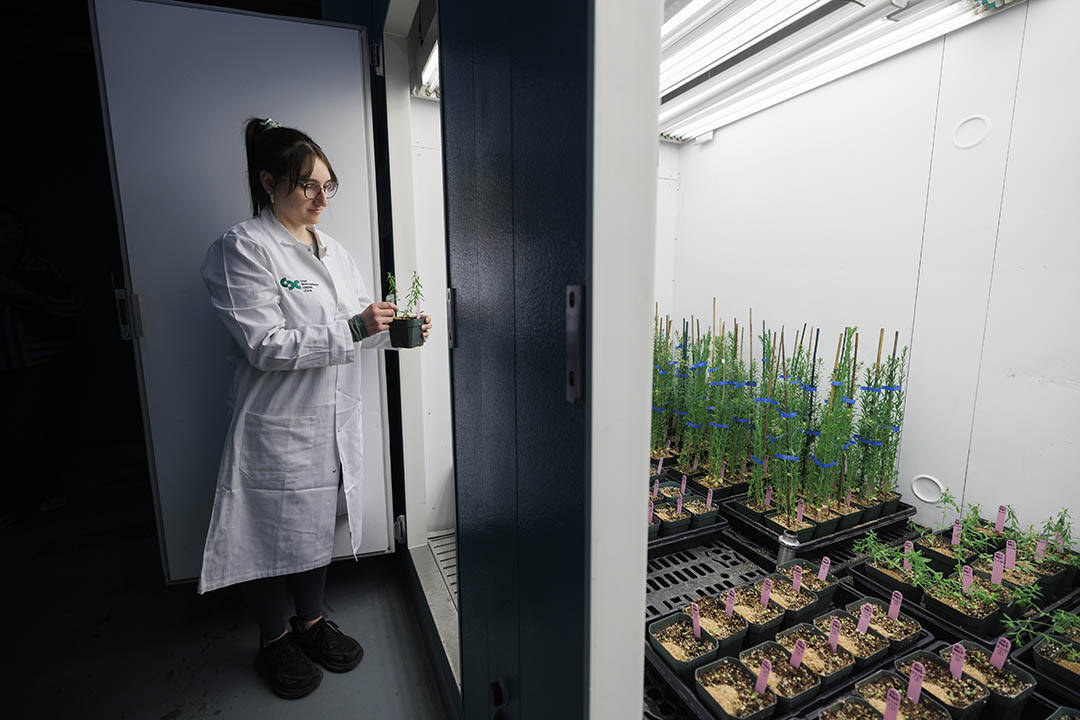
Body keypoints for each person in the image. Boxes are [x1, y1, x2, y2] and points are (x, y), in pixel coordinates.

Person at [197, 117, 431, 699]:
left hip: (332, 419)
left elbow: (355, 326)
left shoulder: (334, 249)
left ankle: (312, 620)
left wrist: (393, 327)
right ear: (269, 181)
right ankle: (274, 639)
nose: (321, 197)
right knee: (265, 533)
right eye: (307, 185)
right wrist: (353, 326)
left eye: (329, 185)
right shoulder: (243, 247)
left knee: (315, 527)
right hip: (276, 424)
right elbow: (264, 344)